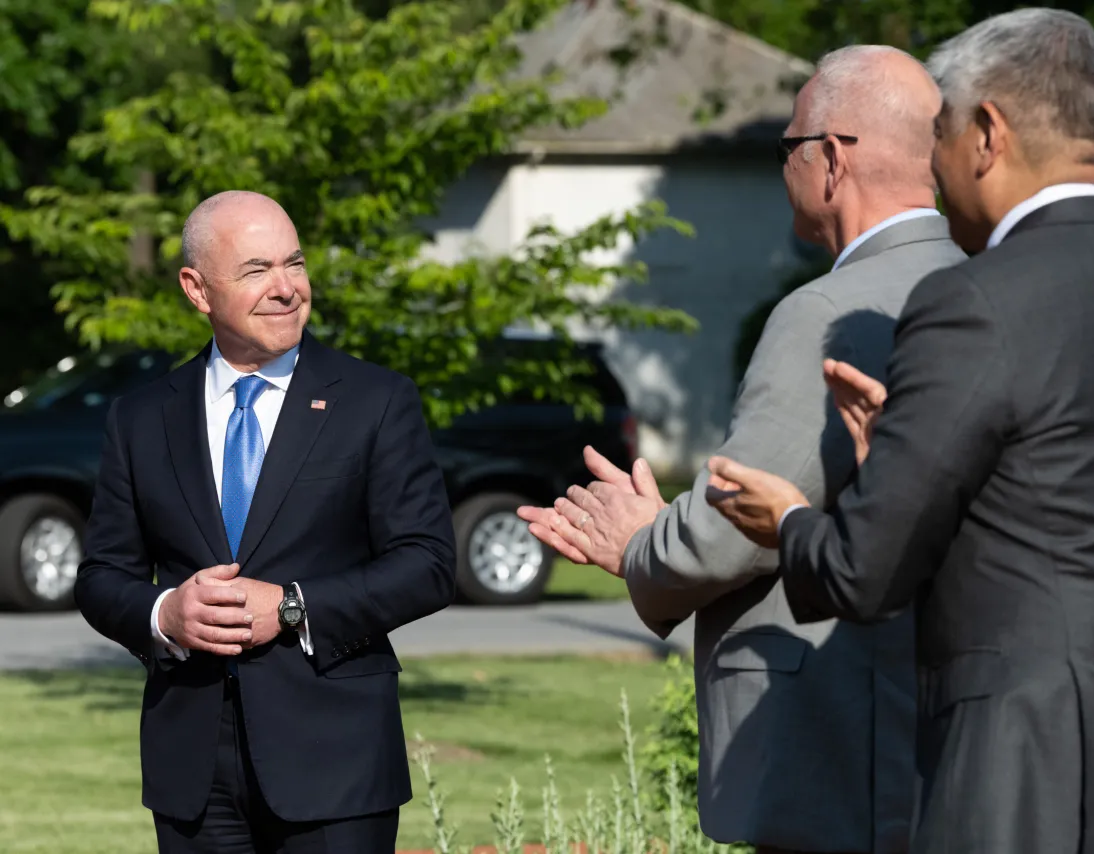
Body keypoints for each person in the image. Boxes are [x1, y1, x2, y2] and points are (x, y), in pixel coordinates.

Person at [704, 9, 1094, 854]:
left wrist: (791, 521)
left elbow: (861, 573)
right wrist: (910, 459)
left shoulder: (974, 302)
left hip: (1025, 776)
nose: (934, 165)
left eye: (942, 134)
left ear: (987, 133)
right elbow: (1067, 517)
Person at [518, 46, 965, 854]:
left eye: (788, 147)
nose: (782, 169)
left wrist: (640, 541)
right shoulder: (982, 282)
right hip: (951, 720)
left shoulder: (828, 310)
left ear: (831, 159)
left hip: (841, 733)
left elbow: (735, 523)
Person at [74, 190, 457, 853]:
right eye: (256, 269)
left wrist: (292, 606)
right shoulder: (140, 419)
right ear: (198, 290)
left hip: (335, 763)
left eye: (295, 263)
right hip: (192, 767)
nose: (286, 288)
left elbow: (427, 563)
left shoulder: (375, 401)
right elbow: (103, 575)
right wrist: (165, 614)